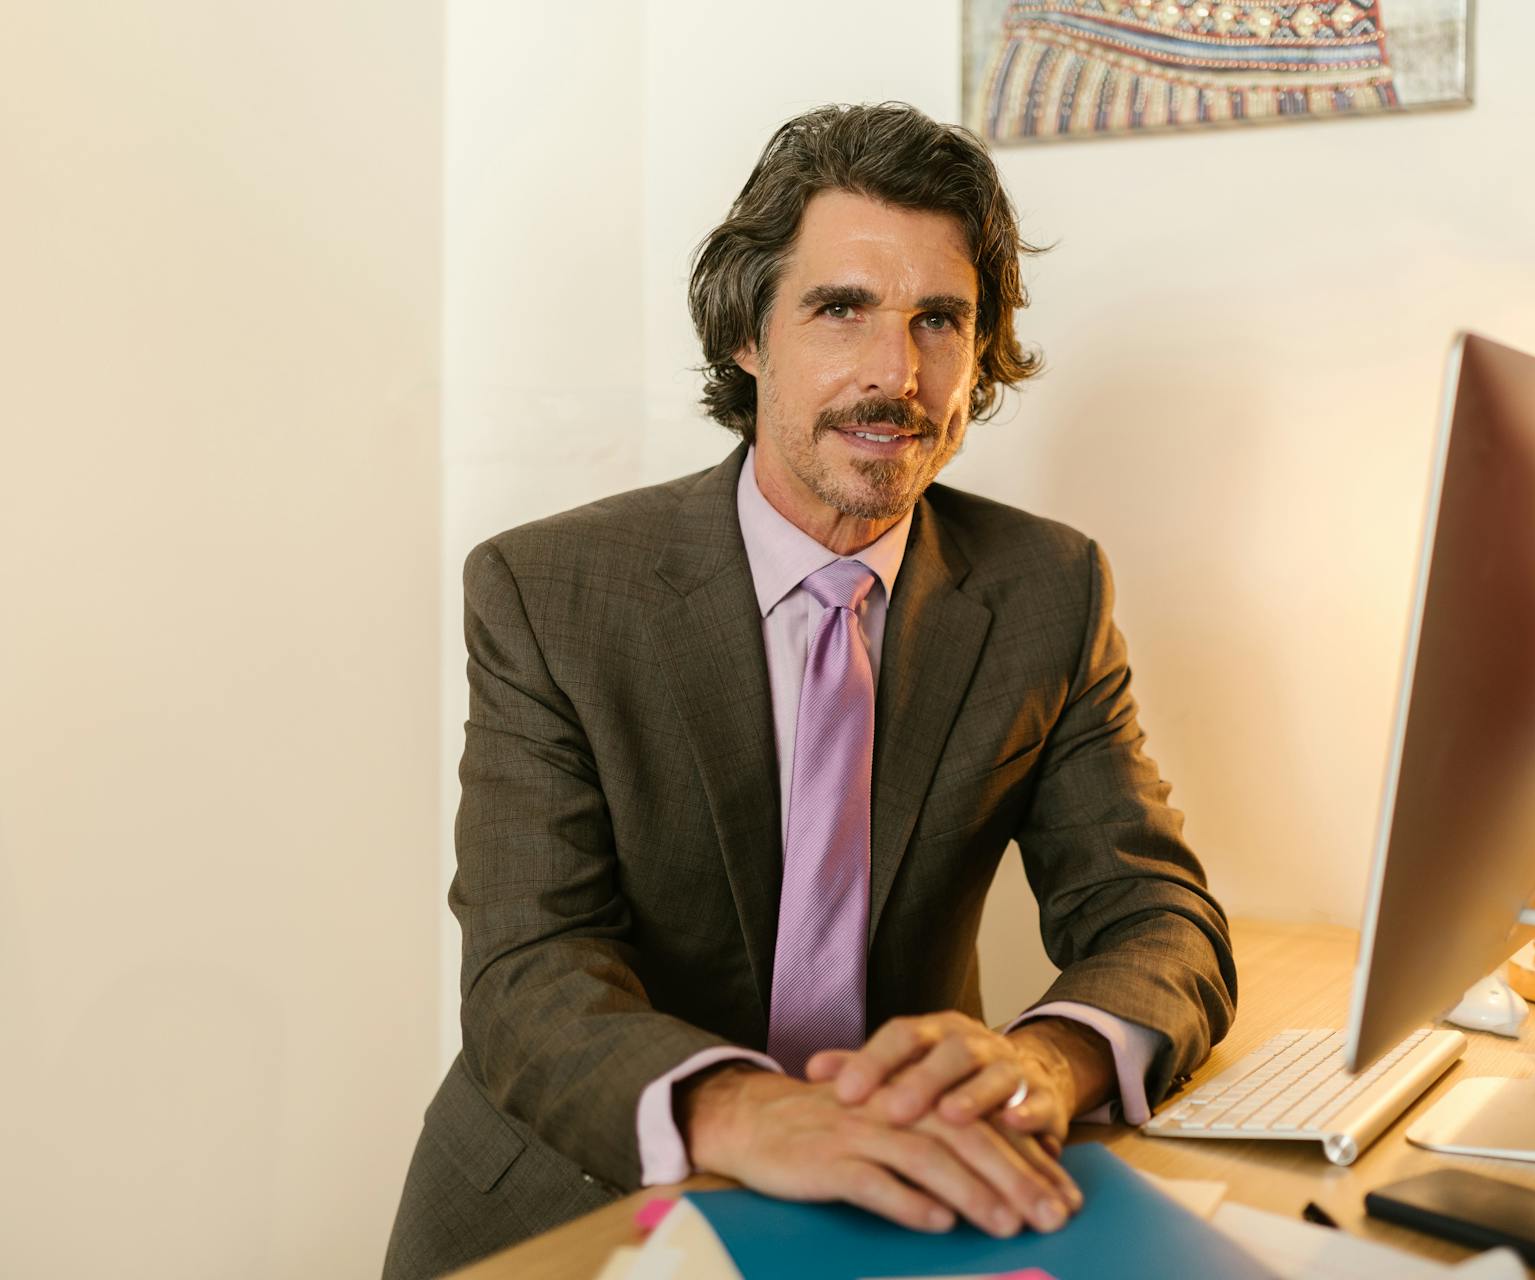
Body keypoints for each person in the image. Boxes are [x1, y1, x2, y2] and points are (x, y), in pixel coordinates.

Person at [383, 101, 1235, 1280]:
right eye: (843, 309)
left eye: (941, 319)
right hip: (575, 1202)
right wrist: (742, 1110)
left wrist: (1047, 1059)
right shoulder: (549, 590)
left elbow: (1157, 918)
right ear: (748, 333)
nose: (898, 374)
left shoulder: (1048, 588)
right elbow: (528, 968)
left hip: (894, 1209)